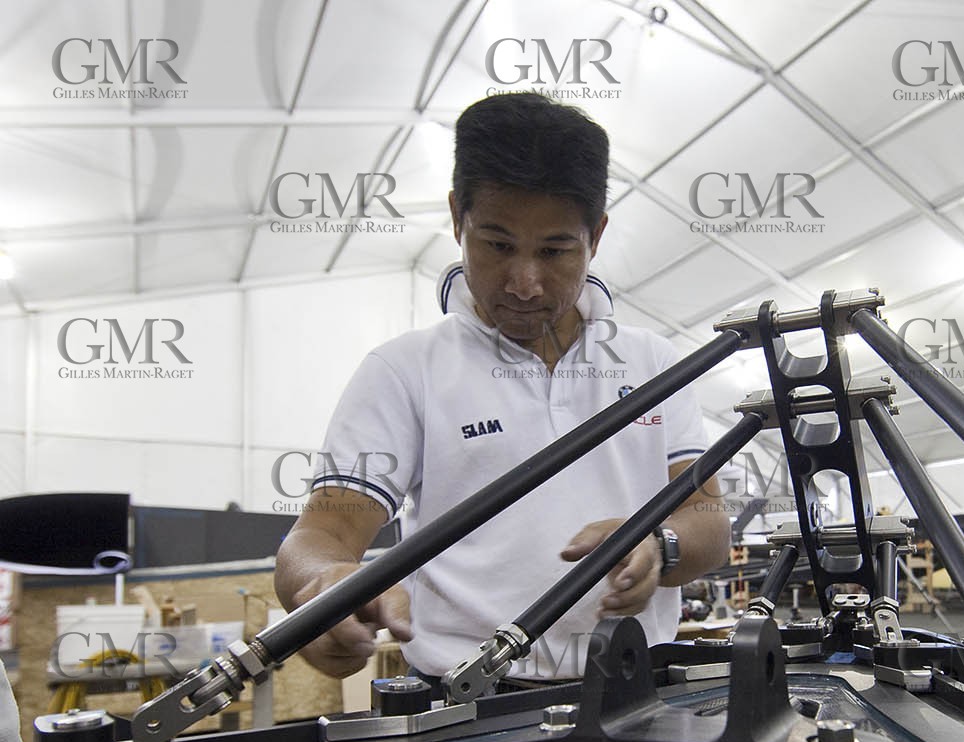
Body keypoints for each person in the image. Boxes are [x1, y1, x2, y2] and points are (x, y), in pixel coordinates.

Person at [274, 94, 729, 685]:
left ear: (596, 235)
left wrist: (657, 544)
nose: (523, 283)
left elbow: (709, 522)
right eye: (496, 244)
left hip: (635, 691)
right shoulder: (406, 370)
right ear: (457, 218)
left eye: (554, 251)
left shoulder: (652, 364)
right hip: (468, 702)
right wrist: (321, 586)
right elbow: (322, 533)